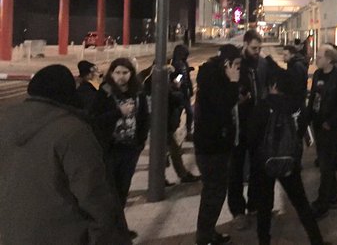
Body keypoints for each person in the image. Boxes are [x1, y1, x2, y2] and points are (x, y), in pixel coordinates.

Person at [0, 65, 130, 245]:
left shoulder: (5, 121)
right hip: (65, 234)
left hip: (12, 232)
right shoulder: (73, 130)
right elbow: (93, 194)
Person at [248, 67, 329, 245]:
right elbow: (302, 130)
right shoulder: (295, 106)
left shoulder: (263, 106)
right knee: (301, 204)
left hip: (265, 163)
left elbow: (251, 136)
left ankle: (264, 241)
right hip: (289, 162)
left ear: (273, 86)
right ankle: (316, 240)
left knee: (264, 207)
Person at [90, 58, 149, 240]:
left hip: (130, 149)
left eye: (125, 73)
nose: (121, 77)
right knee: (110, 192)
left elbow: (144, 118)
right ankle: (108, 230)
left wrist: (140, 143)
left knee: (123, 190)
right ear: (111, 74)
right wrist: (118, 112)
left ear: (131, 74)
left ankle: (119, 228)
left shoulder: (138, 93)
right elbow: (95, 119)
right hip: (110, 149)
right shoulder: (105, 93)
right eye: (117, 73)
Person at [194, 44, 242, 245]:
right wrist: (233, 83)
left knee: (213, 192)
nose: (238, 68)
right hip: (213, 146)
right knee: (214, 193)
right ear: (227, 64)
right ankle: (205, 236)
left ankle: (207, 233)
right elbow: (222, 107)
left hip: (214, 144)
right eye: (236, 64)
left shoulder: (211, 77)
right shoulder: (216, 81)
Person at [228, 30, 268, 230]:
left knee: (257, 168)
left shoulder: (262, 64)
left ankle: (254, 204)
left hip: (257, 125)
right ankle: (237, 211)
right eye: (254, 48)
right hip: (239, 127)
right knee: (235, 170)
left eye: (259, 48)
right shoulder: (236, 64)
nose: (257, 51)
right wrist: (239, 99)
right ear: (245, 45)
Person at [307, 44, 337, 219]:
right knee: (326, 162)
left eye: (319, 57)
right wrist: (308, 118)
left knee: (325, 165)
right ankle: (332, 197)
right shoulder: (318, 74)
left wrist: (331, 122)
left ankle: (323, 203)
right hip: (318, 123)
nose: (316, 59)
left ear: (329, 59)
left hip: (330, 126)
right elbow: (313, 98)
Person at [140, 63, 201, 186]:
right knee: (168, 151)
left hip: (166, 123)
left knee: (172, 150)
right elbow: (173, 98)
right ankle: (168, 177)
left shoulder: (156, 83)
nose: (169, 75)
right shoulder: (158, 85)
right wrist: (177, 89)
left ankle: (176, 175)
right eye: (167, 72)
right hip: (165, 123)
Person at [171, 44, 195, 140]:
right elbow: (175, 78)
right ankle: (175, 134)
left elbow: (187, 78)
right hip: (178, 93)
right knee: (178, 114)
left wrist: (191, 89)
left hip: (185, 92)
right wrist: (180, 77)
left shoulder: (184, 63)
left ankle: (188, 131)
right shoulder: (174, 64)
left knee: (190, 112)